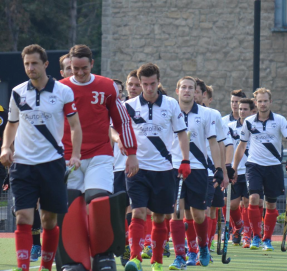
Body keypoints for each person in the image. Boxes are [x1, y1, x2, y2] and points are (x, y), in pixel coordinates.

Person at [0, 44, 82, 271]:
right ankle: (23, 266)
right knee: (23, 217)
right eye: (26, 64)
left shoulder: (63, 92)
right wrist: (6, 147)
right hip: (22, 165)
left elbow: (75, 126)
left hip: (52, 165)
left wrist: (75, 154)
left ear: (45, 64)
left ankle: (46, 266)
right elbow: (11, 124)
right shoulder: (17, 92)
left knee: (49, 220)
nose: (30, 67)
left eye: (34, 63)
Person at [57, 44, 138, 271]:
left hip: (100, 155)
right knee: (72, 206)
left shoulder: (107, 86)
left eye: (84, 68)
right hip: (68, 157)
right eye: (75, 69)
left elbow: (122, 121)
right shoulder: (59, 89)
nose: (80, 73)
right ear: (68, 67)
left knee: (98, 200)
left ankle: (104, 257)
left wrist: (131, 153)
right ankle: (74, 260)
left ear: (92, 64)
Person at [124, 63, 190, 271]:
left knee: (160, 217)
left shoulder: (171, 104)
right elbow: (115, 131)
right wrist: (123, 145)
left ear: (158, 82)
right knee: (138, 212)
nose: (149, 88)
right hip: (137, 169)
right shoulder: (130, 106)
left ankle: (158, 261)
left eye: (152, 84)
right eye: (145, 84)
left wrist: (185, 160)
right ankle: (135, 258)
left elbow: (181, 134)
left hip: (164, 169)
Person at [232, 88, 287, 251]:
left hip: (273, 167)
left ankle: (267, 239)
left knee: (271, 205)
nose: (262, 104)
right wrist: (233, 168)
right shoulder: (249, 122)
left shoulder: (280, 120)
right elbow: (241, 146)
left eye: (265, 101)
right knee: (253, 198)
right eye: (259, 101)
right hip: (254, 166)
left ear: (270, 102)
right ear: (256, 103)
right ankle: (255, 236)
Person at [169, 76, 223, 269]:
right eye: (183, 87)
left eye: (190, 88)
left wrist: (218, 168)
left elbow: (213, 143)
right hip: (174, 168)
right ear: (177, 90)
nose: (187, 91)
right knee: (176, 213)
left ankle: (202, 247)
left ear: (196, 92)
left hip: (199, 170)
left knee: (198, 216)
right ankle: (180, 256)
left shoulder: (207, 114)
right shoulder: (170, 111)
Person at [110, 70, 143, 267]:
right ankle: (124, 245)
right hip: (116, 167)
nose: (132, 88)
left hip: (141, 166)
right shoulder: (115, 110)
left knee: (137, 209)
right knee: (120, 210)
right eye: (129, 85)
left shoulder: (148, 108)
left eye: (135, 85)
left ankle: (135, 246)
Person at [228, 98, 255, 247]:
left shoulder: (256, 126)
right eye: (240, 109)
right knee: (232, 205)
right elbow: (228, 146)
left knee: (247, 202)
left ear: (252, 112)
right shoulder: (231, 127)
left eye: (245, 109)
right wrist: (232, 167)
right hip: (236, 170)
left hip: (251, 170)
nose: (242, 112)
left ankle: (247, 234)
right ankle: (238, 226)